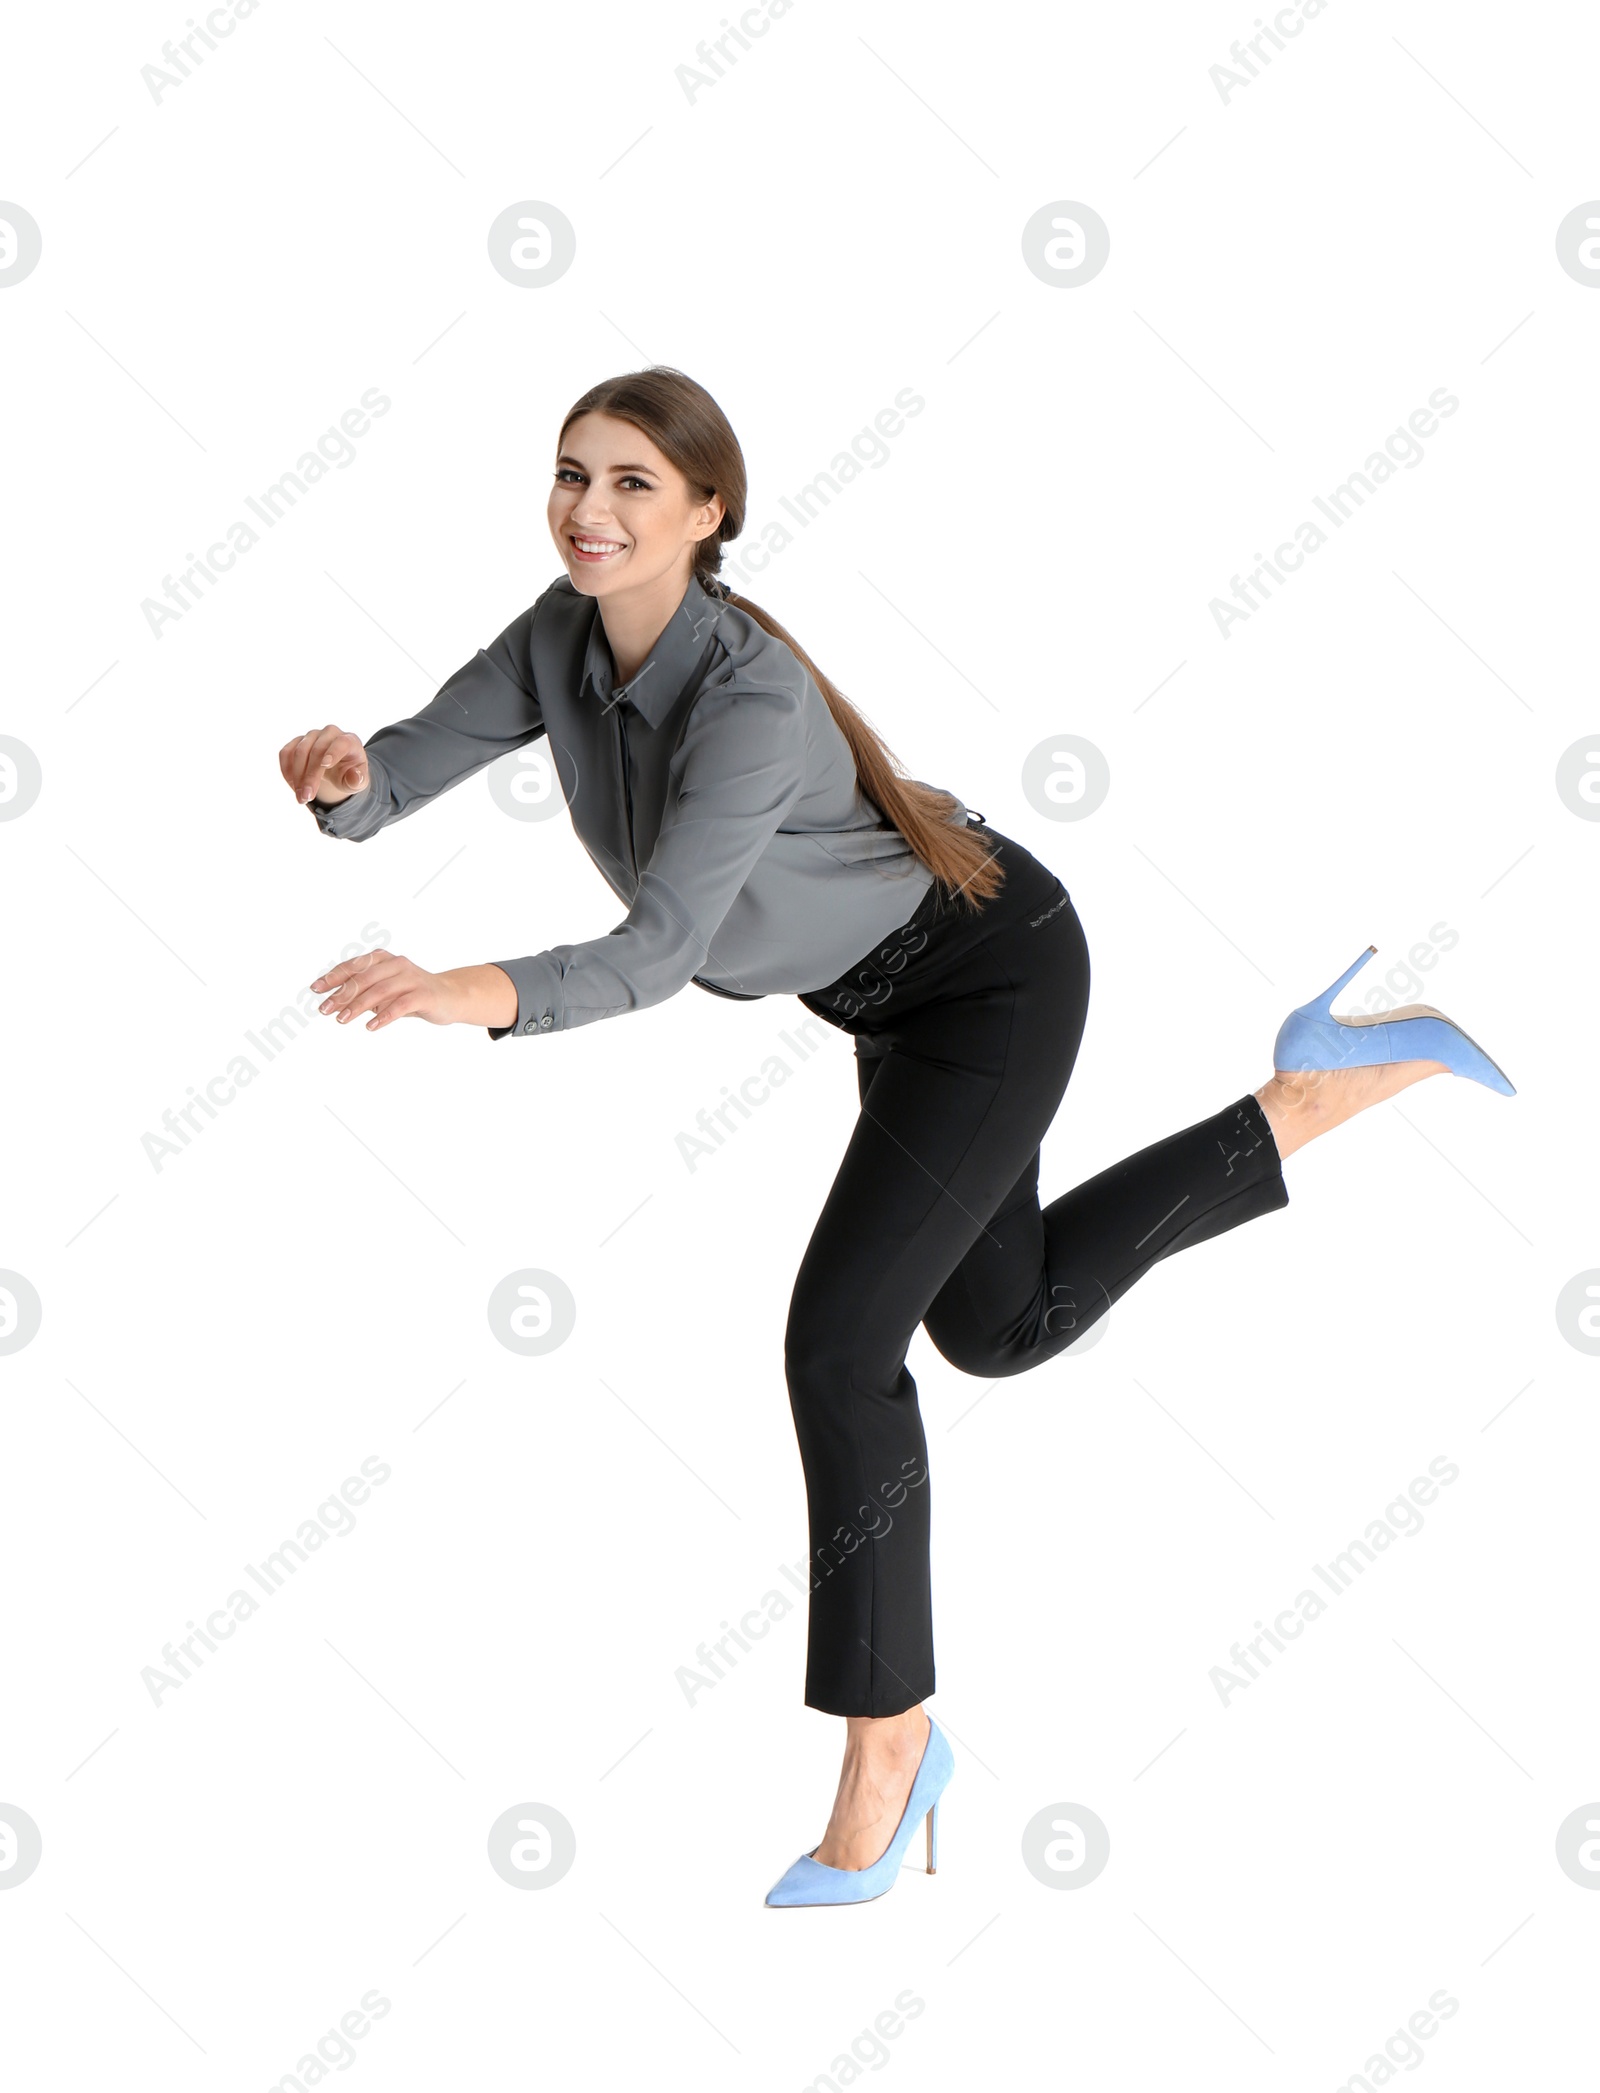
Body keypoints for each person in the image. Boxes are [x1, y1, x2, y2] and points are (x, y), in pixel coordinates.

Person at [280, 366, 1514, 1909]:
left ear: (709, 512)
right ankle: (1309, 1093)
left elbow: (662, 953)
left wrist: (461, 989)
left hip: (992, 970)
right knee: (997, 1327)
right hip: (892, 1007)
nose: (589, 511)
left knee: (837, 1350)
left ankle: (891, 1738)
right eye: (570, 475)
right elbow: (405, 760)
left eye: (631, 486)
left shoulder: (749, 696)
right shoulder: (557, 637)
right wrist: (346, 784)